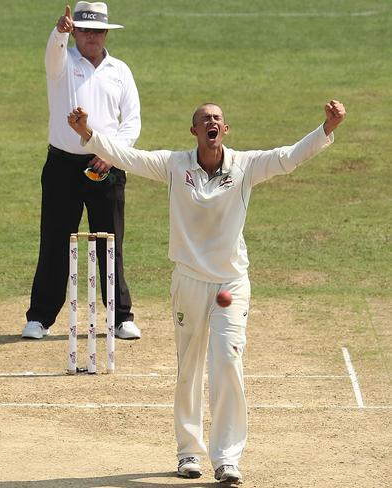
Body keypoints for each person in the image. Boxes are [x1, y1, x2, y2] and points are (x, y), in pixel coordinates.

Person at [67, 100, 346, 484]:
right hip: (189, 282)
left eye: (217, 119)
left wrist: (326, 128)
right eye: (204, 120)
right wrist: (88, 134)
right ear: (194, 131)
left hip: (230, 284)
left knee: (228, 362)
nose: (211, 123)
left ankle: (228, 458)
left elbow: (288, 157)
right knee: (190, 368)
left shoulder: (245, 166)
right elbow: (127, 156)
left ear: (225, 130)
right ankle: (188, 453)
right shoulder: (173, 164)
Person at [23, 1, 142, 340]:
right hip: (63, 164)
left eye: (97, 31)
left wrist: (113, 154)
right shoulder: (62, 63)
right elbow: (52, 55)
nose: (91, 36)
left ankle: (120, 317)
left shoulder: (120, 70)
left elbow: (131, 122)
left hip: (106, 166)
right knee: (56, 240)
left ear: (105, 34)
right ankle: (41, 317)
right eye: (85, 30)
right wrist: (58, 33)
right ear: (76, 31)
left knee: (110, 240)